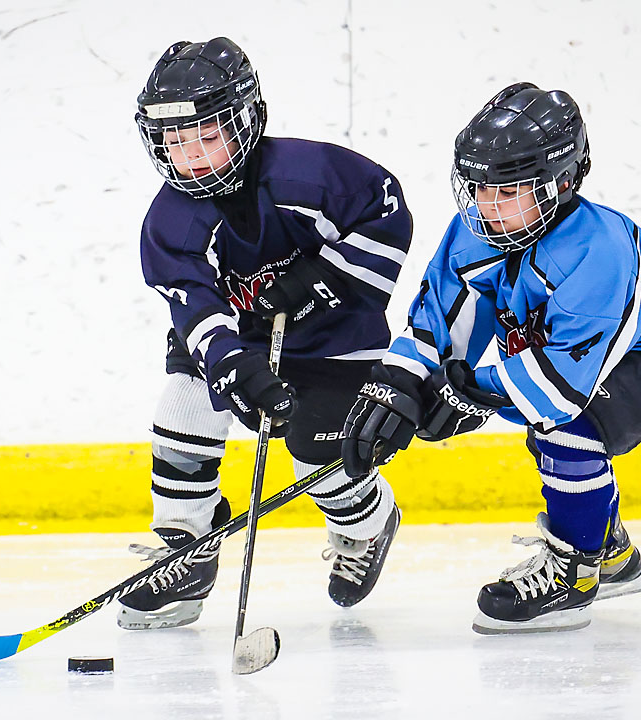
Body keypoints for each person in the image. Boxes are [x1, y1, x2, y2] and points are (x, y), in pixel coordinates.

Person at [341, 82, 641, 634]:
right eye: (479, 188)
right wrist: (397, 384)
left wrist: (468, 393)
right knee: (548, 421)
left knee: (565, 431)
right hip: (568, 355)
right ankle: (612, 555)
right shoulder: (480, 230)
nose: (487, 207)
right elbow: (439, 322)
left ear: (562, 182)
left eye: (509, 191)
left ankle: (577, 569)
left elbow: (559, 388)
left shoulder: (598, 254)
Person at [118, 37, 413, 630]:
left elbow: (387, 211)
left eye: (206, 135)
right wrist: (232, 363)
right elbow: (194, 308)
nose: (192, 158)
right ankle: (186, 547)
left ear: (247, 120)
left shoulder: (312, 175)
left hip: (336, 333)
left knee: (318, 455)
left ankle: (367, 521)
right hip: (244, 332)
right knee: (184, 405)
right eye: (175, 142)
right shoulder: (171, 220)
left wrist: (321, 278)